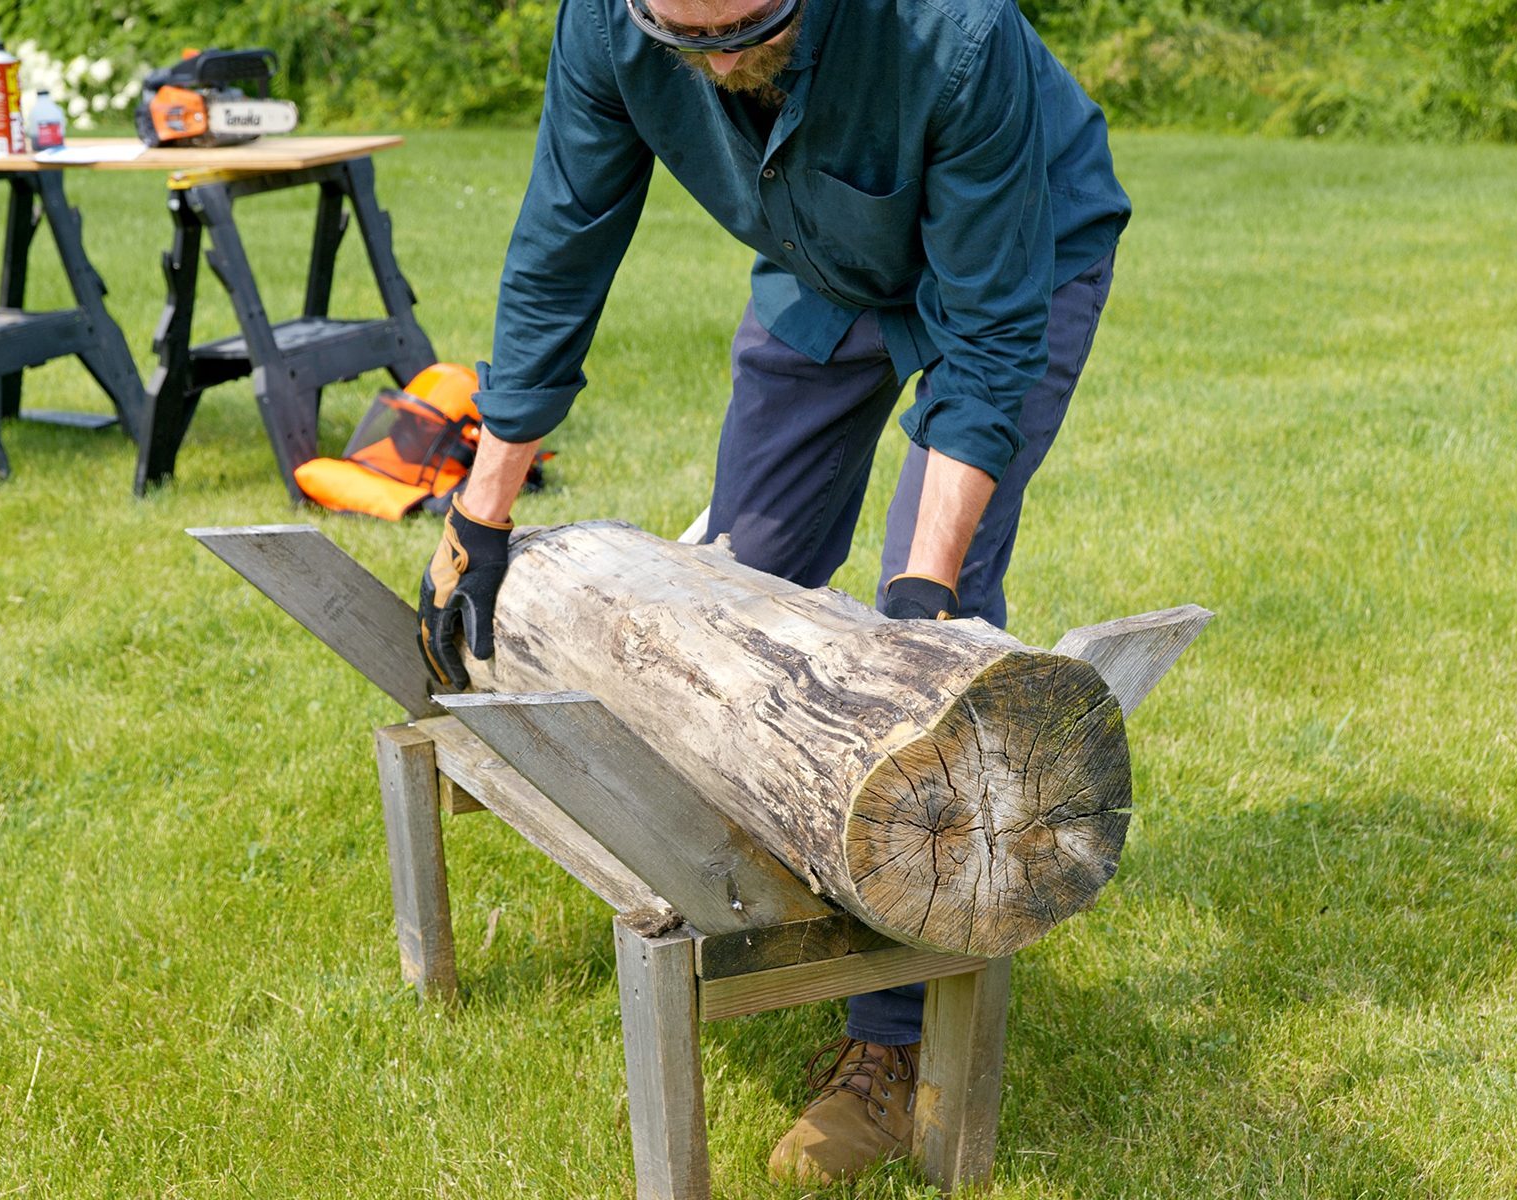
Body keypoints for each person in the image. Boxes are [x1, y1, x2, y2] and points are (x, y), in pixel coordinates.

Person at [417, 0, 1129, 1179]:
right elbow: (563, 239)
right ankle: (755, 896)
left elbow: (992, 346)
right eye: (684, 43)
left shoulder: (953, 35)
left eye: (746, 31)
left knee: (932, 660)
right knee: (730, 592)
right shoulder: (607, 24)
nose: (720, 67)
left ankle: (892, 1053)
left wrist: (915, 612)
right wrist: (479, 515)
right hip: (823, 263)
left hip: (1016, 257)